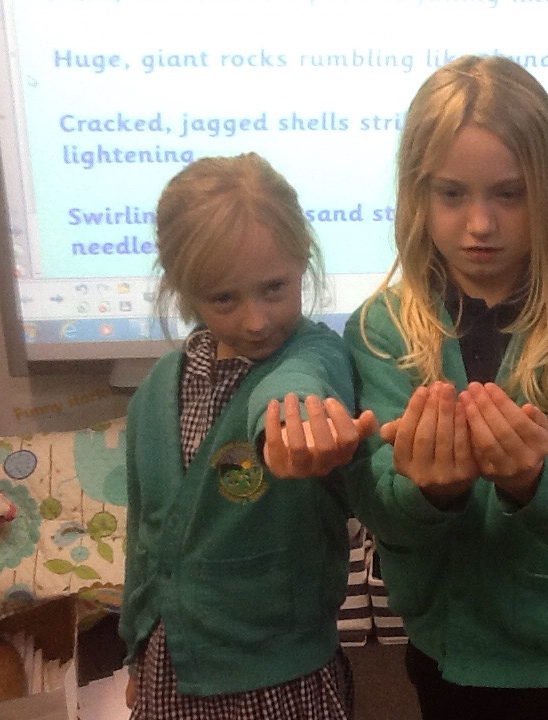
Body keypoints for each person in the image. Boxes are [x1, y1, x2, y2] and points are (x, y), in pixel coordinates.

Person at [345, 55, 548, 720]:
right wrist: (431, 489)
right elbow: (375, 501)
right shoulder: (380, 330)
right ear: (418, 195)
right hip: (443, 640)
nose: (481, 224)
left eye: (509, 195)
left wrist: (535, 480)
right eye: (452, 194)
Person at [118, 152, 376, 719]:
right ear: (183, 287)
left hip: (279, 675)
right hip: (171, 668)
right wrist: (136, 648)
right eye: (224, 299)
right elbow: (145, 533)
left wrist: (293, 422)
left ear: (303, 259)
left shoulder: (314, 355)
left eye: (274, 288)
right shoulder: (157, 390)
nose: (256, 320)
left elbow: (293, 388)